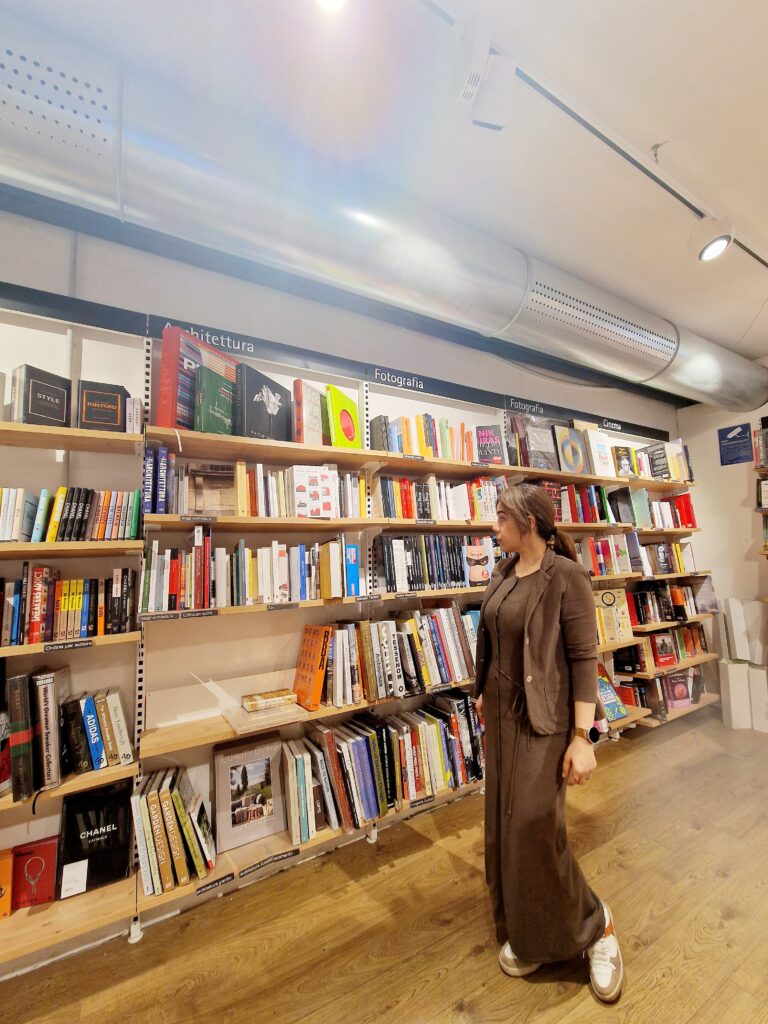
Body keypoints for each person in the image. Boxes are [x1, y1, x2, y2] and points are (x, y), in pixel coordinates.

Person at [474, 482, 624, 1004]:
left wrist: (583, 738)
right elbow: (494, 640)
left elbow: (584, 659)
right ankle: (532, 931)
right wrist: (481, 692)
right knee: (505, 828)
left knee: (536, 830)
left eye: (500, 518)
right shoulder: (503, 572)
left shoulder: (567, 578)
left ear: (528, 523)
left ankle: (595, 925)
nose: (493, 528)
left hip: (546, 724)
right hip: (501, 718)